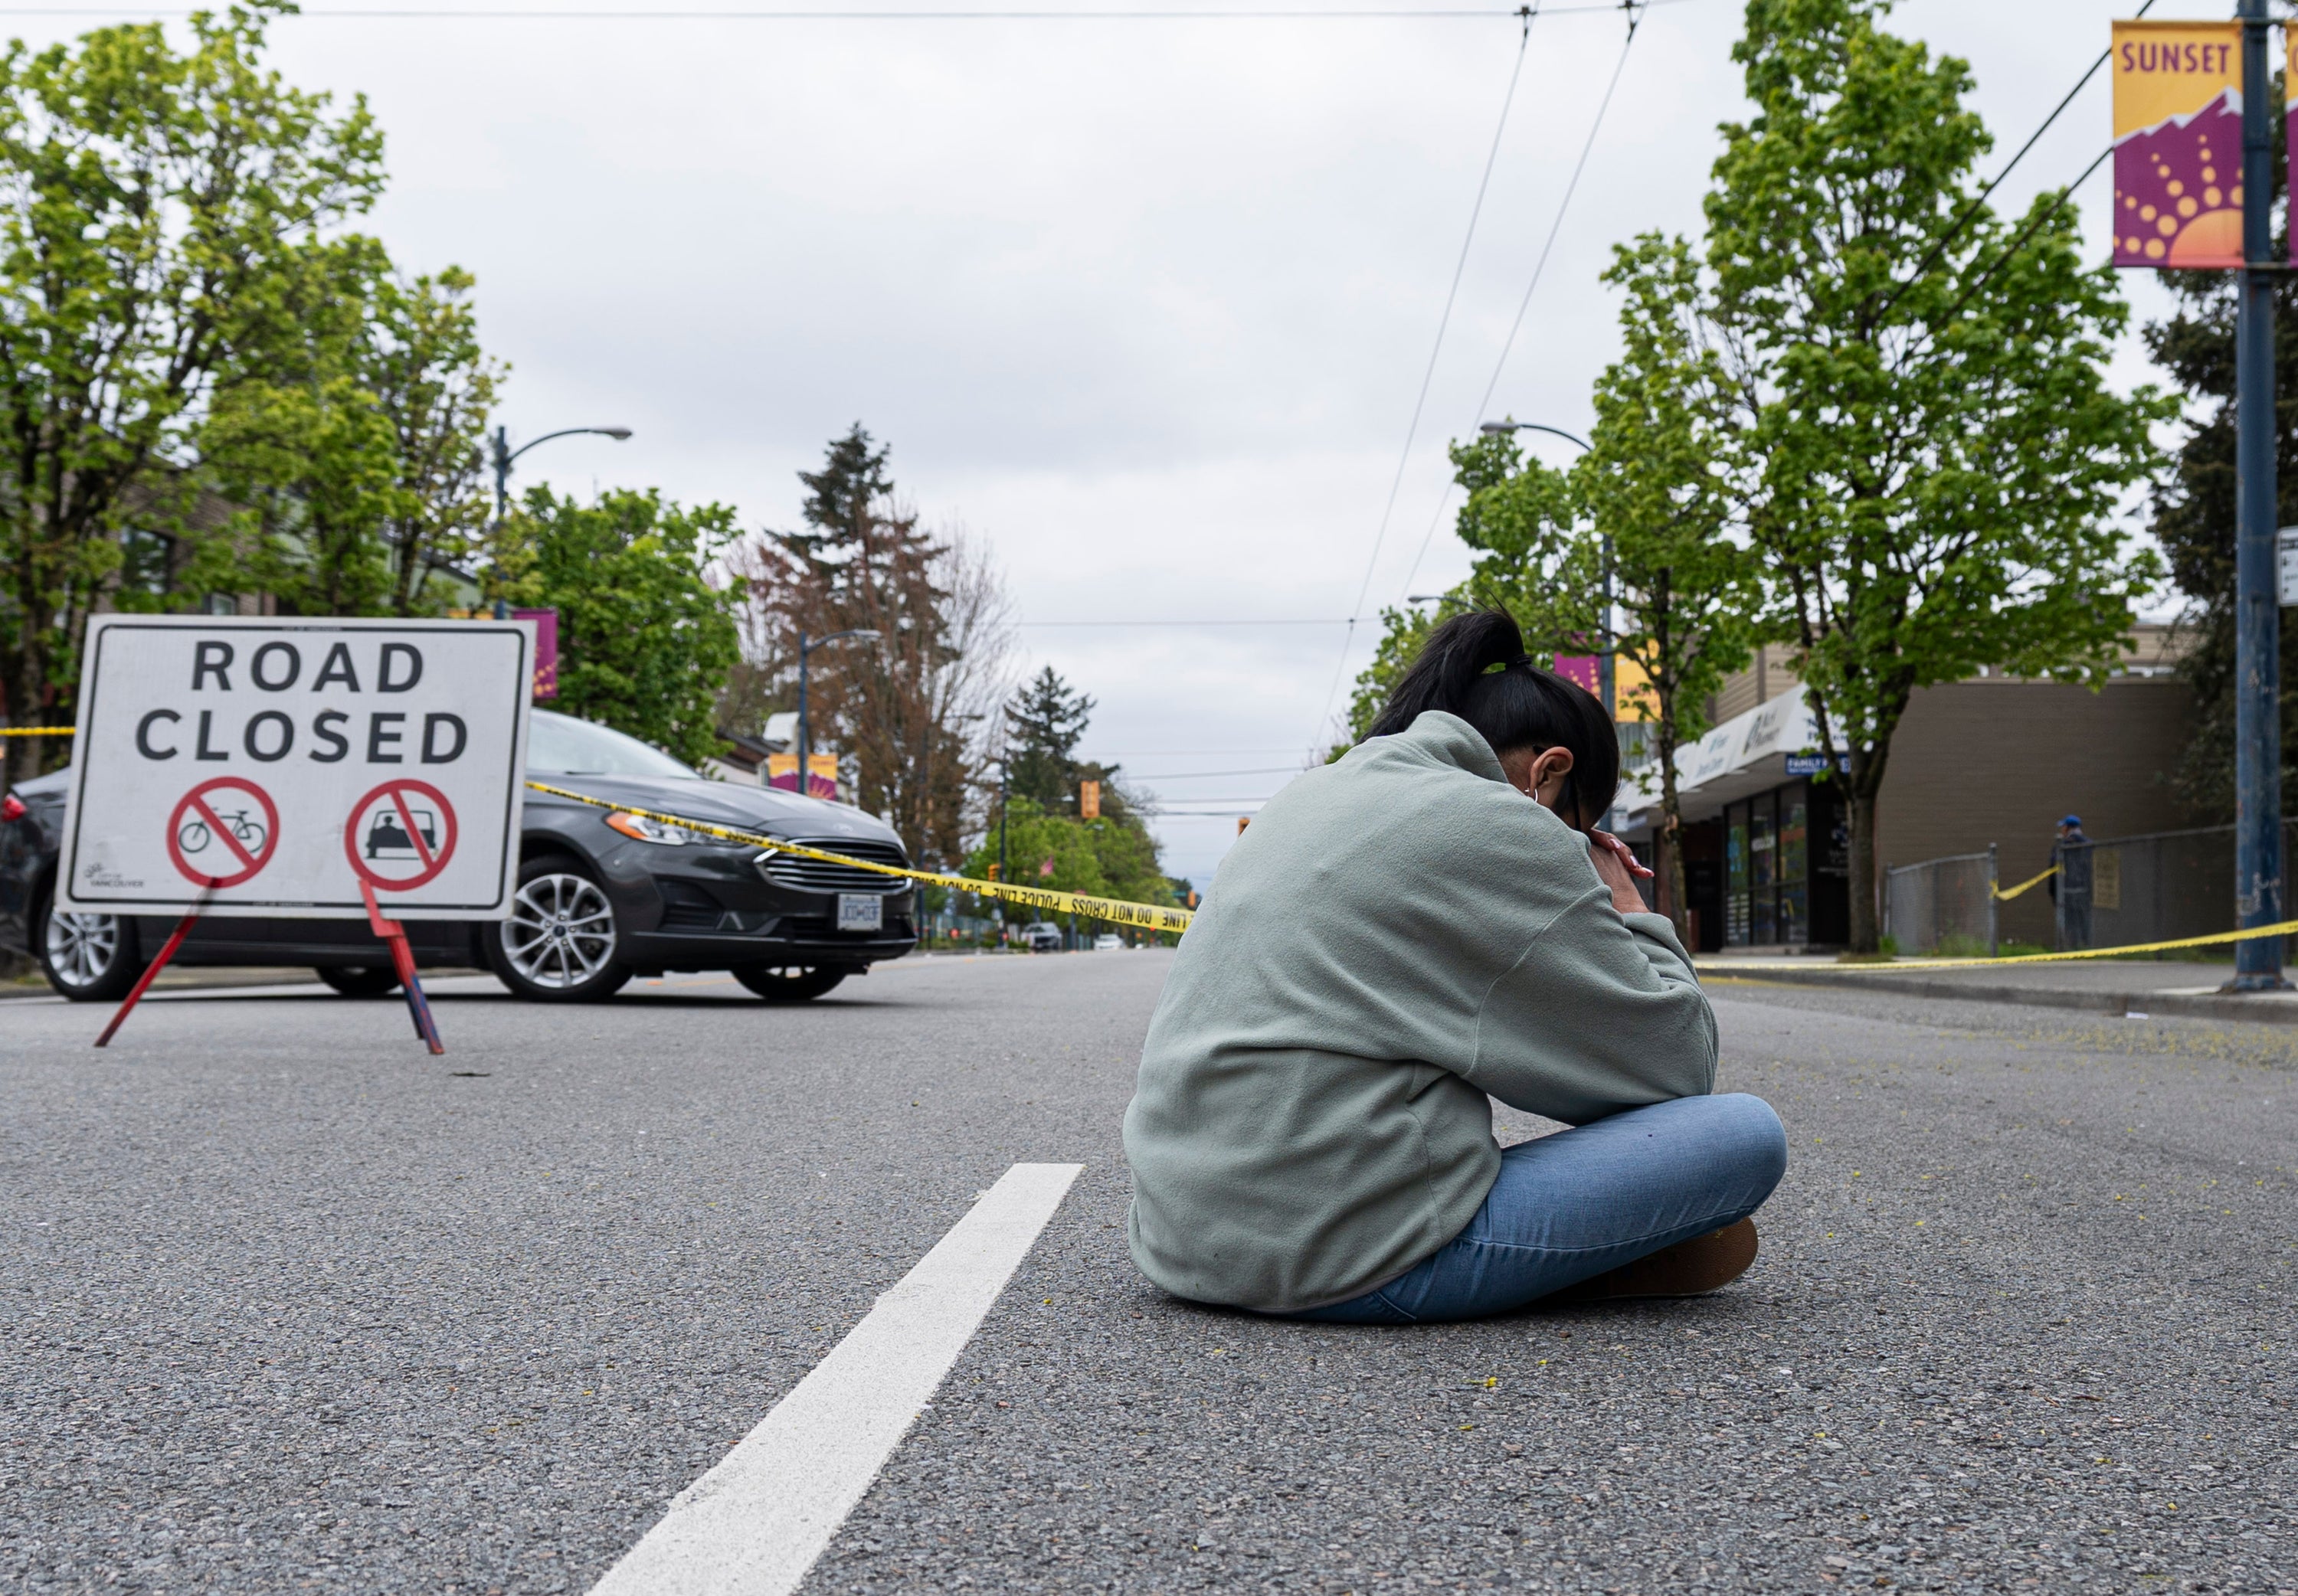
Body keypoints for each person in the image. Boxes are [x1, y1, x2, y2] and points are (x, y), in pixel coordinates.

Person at [1122, 611, 1787, 1324]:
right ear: (1549, 773)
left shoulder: (1307, 796)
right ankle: (1523, 1268)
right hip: (1346, 1257)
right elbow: (1675, 1068)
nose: (1583, 851)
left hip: (1178, 1243)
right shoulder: (1501, 823)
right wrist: (1626, 901)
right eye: (1583, 830)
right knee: (1743, 1134)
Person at [2051, 814, 2093, 951]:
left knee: (2069, 923)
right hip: (2085, 891)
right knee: (2085, 921)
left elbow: (2053, 872)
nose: (2061, 830)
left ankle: (2069, 949)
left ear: (2067, 828)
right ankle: (2086, 948)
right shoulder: (2090, 845)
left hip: (2065, 892)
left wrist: (2053, 893)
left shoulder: (2061, 847)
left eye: (2063, 827)